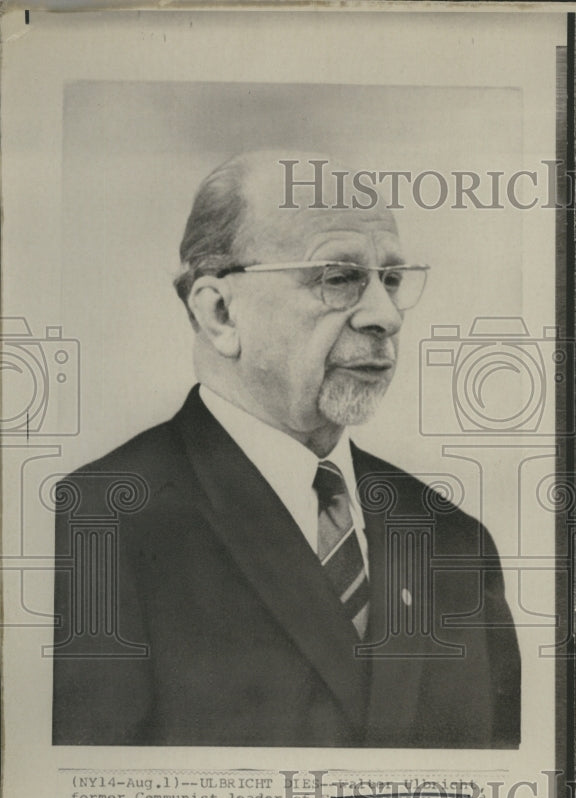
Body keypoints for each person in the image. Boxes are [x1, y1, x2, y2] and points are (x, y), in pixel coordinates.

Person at [51, 151, 520, 748]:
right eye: (338, 277)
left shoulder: (454, 539)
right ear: (220, 312)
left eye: (392, 280)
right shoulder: (99, 522)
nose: (385, 316)